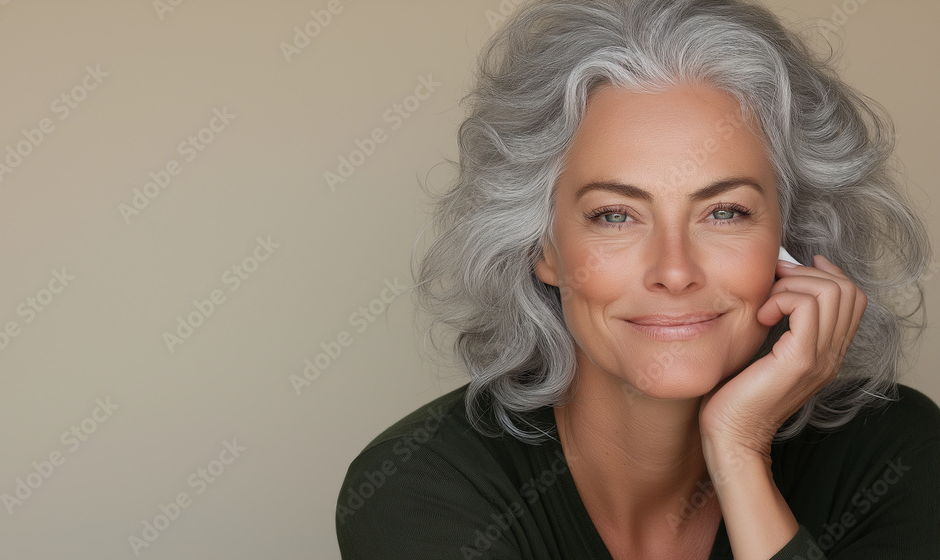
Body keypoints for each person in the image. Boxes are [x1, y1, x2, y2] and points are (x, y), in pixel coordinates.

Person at [336, 0, 940, 558]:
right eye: (615, 216)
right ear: (542, 245)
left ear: (790, 240)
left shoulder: (895, 452)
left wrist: (738, 450)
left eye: (724, 212)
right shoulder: (424, 483)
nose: (674, 271)